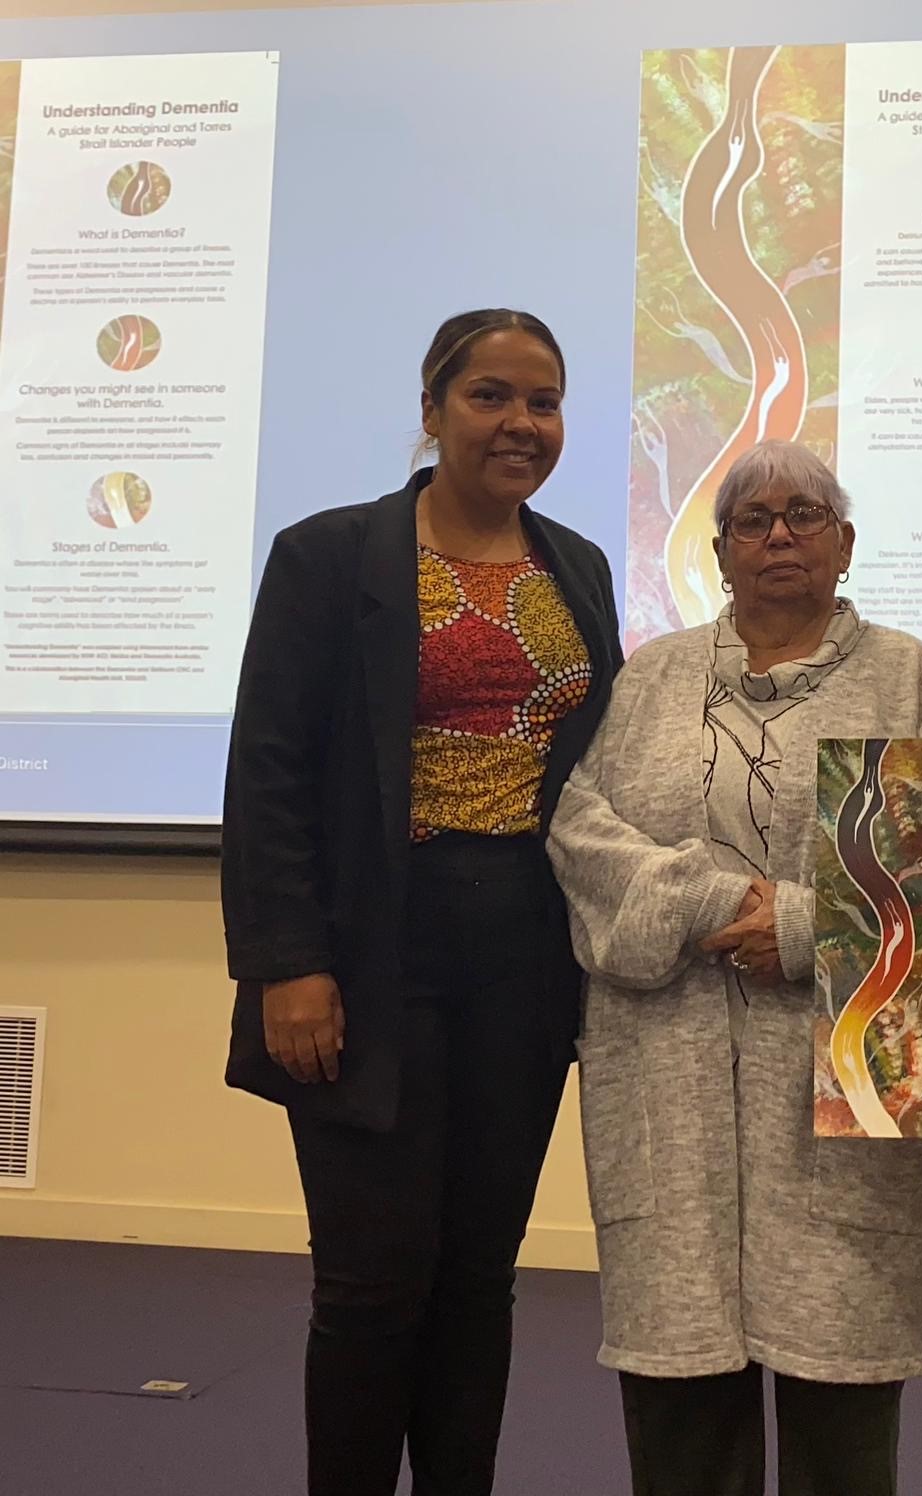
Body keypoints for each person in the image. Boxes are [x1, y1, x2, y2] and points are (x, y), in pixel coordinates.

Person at [221, 308, 623, 1496]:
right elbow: (271, 769)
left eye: (542, 401)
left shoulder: (579, 566)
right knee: (369, 1274)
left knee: (478, 1271)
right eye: (491, 395)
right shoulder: (329, 554)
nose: (520, 423)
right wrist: (287, 959)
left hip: (525, 945)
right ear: (434, 405)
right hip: (367, 945)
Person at [547, 440, 922, 1496]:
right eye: (753, 518)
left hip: (847, 1073)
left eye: (806, 512)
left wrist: (789, 921)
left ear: (847, 541)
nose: (780, 533)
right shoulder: (654, 675)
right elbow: (580, 830)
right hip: (669, 1068)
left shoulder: (912, 676)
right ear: (721, 548)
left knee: (841, 1390)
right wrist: (702, 898)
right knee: (681, 1400)